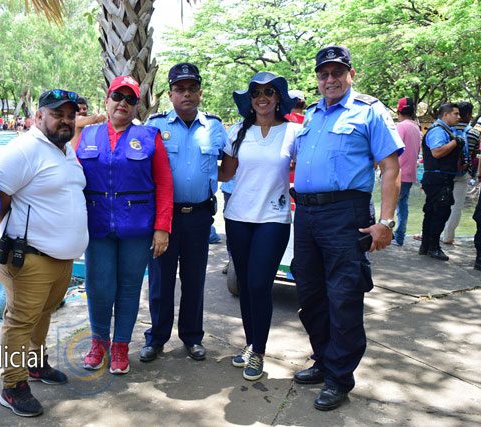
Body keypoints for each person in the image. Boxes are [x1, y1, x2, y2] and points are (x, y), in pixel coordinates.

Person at [291, 46, 403, 411]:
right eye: (323, 73)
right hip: (306, 214)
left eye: (337, 72)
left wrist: (385, 221)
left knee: (343, 296)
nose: (330, 79)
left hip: (345, 214)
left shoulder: (369, 111)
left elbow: (390, 167)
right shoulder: (311, 115)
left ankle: (339, 378)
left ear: (351, 74)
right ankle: (324, 360)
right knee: (309, 293)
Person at [0, 89, 88, 417]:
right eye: (57, 114)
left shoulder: (66, 150)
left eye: (70, 115)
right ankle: (12, 386)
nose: (65, 120)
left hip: (61, 259)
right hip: (29, 256)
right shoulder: (23, 150)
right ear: (38, 116)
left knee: (44, 314)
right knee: (20, 321)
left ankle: (35, 364)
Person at [76, 76, 173, 374]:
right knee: (98, 287)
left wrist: (162, 227)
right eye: (117, 96)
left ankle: (120, 346)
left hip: (136, 227)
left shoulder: (150, 136)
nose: (123, 103)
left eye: (130, 99)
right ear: (107, 100)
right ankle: (99, 343)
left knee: (130, 288)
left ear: (137, 107)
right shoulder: (86, 135)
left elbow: (164, 183)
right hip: (97, 226)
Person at [140, 63, 227, 362]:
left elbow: (229, 164)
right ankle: (156, 338)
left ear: (200, 93)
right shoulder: (155, 126)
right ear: (170, 94)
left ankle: (192, 337)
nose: (186, 94)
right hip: (164, 218)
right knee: (160, 281)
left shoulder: (214, 127)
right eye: (179, 89)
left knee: (194, 279)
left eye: (191, 89)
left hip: (199, 216)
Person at [219, 72, 299, 381]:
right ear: (250, 100)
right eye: (256, 93)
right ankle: (251, 344)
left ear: (278, 98)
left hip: (273, 218)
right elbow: (226, 174)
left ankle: (259, 352)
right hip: (238, 217)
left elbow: (306, 169)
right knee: (245, 285)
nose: (262, 98)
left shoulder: (294, 132)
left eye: (269, 92)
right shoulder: (237, 131)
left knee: (259, 284)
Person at [420, 102, 463, 261]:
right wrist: (455, 142)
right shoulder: (438, 131)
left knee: (433, 211)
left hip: (440, 178)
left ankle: (426, 246)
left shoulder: (445, 130)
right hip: (438, 179)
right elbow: (437, 152)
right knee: (440, 212)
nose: (459, 117)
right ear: (446, 115)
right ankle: (433, 247)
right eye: (456, 114)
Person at [442, 101, 481, 244]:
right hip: (463, 173)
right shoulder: (475, 133)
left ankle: (432, 234)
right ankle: (448, 237)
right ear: (469, 115)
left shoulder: (447, 129)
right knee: (456, 207)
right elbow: (474, 155)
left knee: (440, 204)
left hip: (445, 172)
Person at [393, 97, 422, 246]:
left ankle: (393, 236)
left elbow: (393, 150)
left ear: (399, 111)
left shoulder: (400, 127)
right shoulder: (416, 128)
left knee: (390, 206)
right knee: (402, 206)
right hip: (410, 174)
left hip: (398, 173)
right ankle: (399, 236)